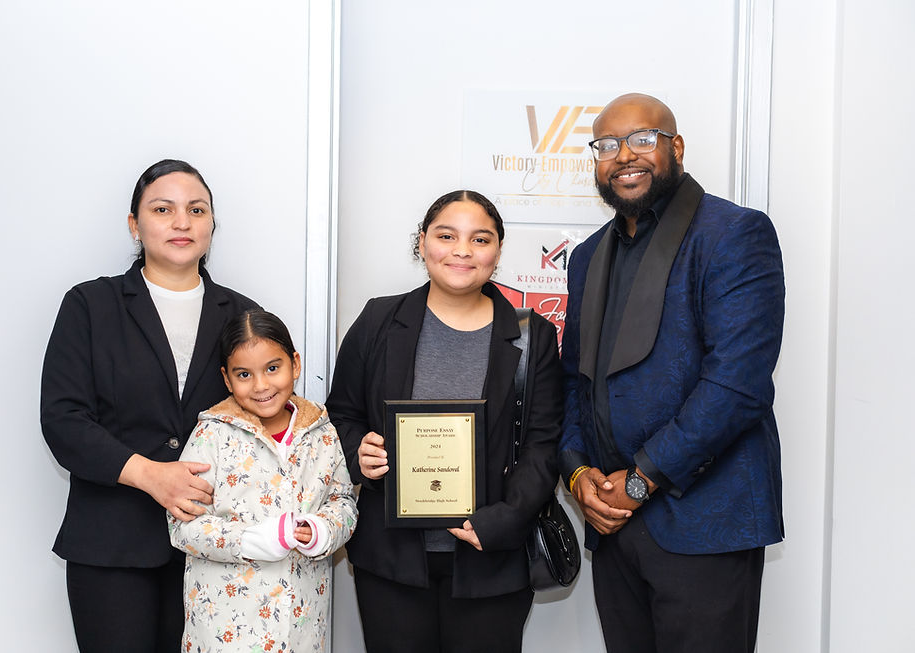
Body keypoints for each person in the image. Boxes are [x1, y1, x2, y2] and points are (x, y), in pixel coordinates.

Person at [558, 93, 785, 653]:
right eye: (607, 145)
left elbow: (737, 385)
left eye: (641, 139)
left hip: (706, 520)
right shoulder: (587, 256)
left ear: (675, 146)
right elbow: (573, 382)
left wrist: (641, 480)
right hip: (614, 525)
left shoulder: (734, 233)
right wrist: (578, 475)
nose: (624, 156)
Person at [326, 190, 563, 653]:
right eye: (446, 235)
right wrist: (358, 451)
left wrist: (506, 520)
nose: (462, 250)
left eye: (480, 239)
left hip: (490, 562)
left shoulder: (533, 335)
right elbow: (342, 414)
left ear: (498, 250)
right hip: (391, 560)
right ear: (422, 242)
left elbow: (543, 443)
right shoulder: (378, 320)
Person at [41, 159, 259, 652]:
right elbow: (63, 421)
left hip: (216, 546)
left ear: (211, 226)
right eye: (164, 209)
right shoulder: (90, 306)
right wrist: (150, 475)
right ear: (135, 225)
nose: (182, 222)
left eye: (196, 210)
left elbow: (264, 417)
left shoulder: (244, 314)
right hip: (112, 545)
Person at [168, 308, 357, 651]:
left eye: (273, 368)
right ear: (226, 379)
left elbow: (342, 501)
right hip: (225, 630)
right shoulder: (211, 435)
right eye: (244, 374)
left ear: (294, 364)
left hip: (301, 628)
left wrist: (323, 531)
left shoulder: (320, 431)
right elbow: (183, 526)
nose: (261, 385)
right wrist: (254, 539)